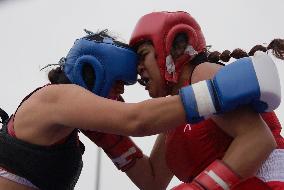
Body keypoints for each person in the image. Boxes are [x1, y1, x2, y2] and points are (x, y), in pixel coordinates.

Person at [0, 29, 280, 190]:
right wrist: (217, 92)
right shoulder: (56, 98)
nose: (121, 93)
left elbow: (152, 182)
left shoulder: (201, 74)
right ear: (92, 70)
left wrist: (114, 142)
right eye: (121, 82)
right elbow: (138, 119)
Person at [90, 11, 284, 189]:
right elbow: (152, 181)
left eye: (143, 56)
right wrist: (106, 134)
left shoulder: (202, 75)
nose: (139, 68)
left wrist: (201, 187)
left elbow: (259, 140)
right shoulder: (176, 117)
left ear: (175, 47)